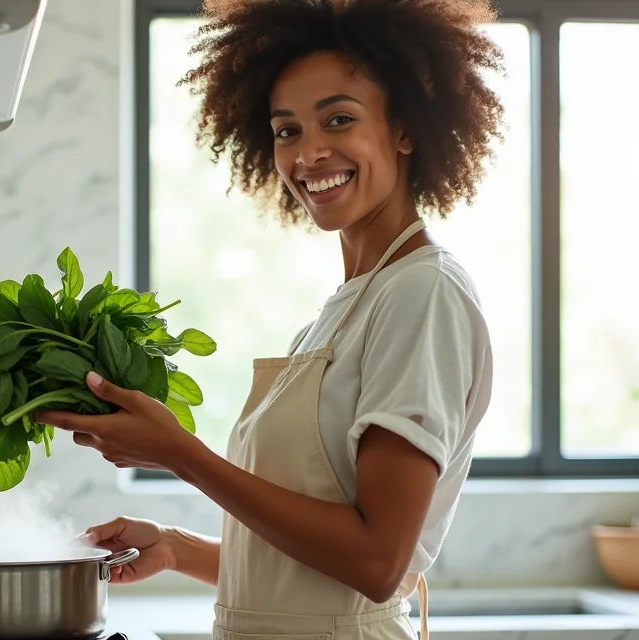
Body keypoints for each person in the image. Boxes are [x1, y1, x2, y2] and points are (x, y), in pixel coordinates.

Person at [35, 0, 501, 637]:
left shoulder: (423, 294)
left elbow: (375, 562)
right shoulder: (343, 312)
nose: (309, 154)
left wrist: (182, 455)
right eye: (287, 130)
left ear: (405, 129)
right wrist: (176, 547)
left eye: (339, 119)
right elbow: (308, 581)